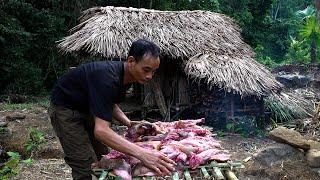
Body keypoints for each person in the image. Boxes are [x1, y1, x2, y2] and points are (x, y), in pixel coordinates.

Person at [48, 39, 175, 180]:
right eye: (146, 70)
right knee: (86, 166)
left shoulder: (127, 77)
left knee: (103, 157)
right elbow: (101, 131)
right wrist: (142, 154)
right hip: (66, 110)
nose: (149, 76)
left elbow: (110, 103)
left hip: (87, 108)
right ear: (131, 61)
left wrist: (128, 123)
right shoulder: (108, 78)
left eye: (153, 71)